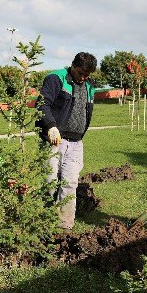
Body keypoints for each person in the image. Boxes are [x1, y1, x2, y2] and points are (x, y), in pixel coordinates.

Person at [36, 52, 97, 231]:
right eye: (80, 73)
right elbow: (42, 104)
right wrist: (51, 125)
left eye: (87, 75)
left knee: (70, 183)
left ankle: (64, 226)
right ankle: (44, 221)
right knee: (49, 182)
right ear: (73, 66)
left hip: (76, 143)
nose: (83, 78)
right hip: (55, 139)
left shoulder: (89, 85)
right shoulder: (56, 79)